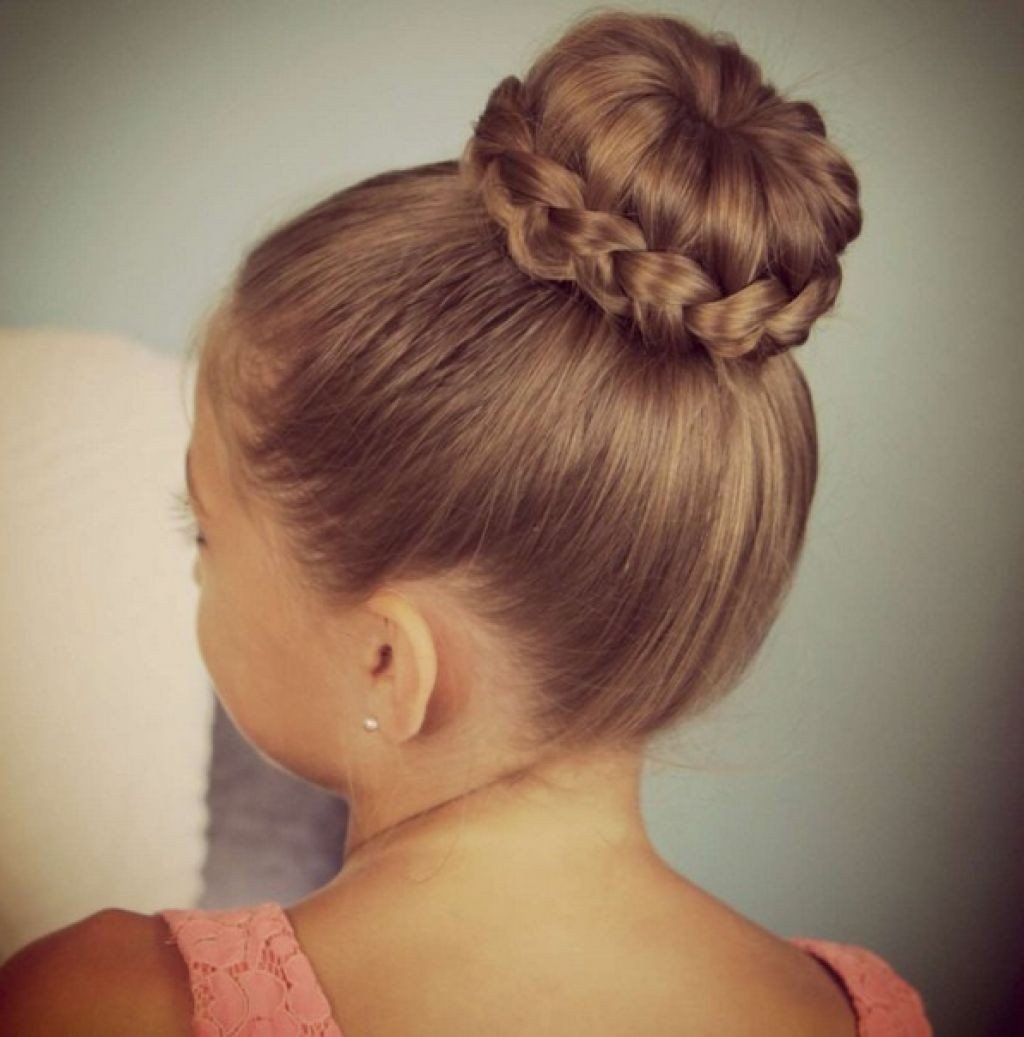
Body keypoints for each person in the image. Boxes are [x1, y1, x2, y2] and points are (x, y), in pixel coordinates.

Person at [0, 9, 933, 1035]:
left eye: (204, 530)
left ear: (389, 663)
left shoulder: (108, 1003)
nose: (195, 565)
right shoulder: (866, 1010)